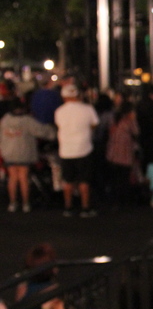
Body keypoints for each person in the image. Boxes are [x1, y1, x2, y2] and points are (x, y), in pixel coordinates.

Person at [0, 98, 56, 212]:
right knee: (23, 177)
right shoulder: (27, 120)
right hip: (24, 152)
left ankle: (12, 203)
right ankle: (26, 204)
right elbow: (42, 131)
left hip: (9, 152)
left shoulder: (4, 121)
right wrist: (54, 132)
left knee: (12, 178)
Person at [54, 84, 99, 217]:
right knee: (84, 181)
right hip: (84, 148)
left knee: (67, 181)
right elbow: (95, 124)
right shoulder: (87, 109)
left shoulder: (59, 111)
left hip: (66, 150)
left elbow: (58, 125)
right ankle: (85, 208)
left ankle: (68, 207)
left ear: (64, 97)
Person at [105, 101, 140, 206]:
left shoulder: (114, 120)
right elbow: (136, 132)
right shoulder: (129, 121)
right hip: (125, 153)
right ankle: (123, 201)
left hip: (113, 152)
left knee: (115, 178)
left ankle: (114, 200)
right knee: (124, 178)